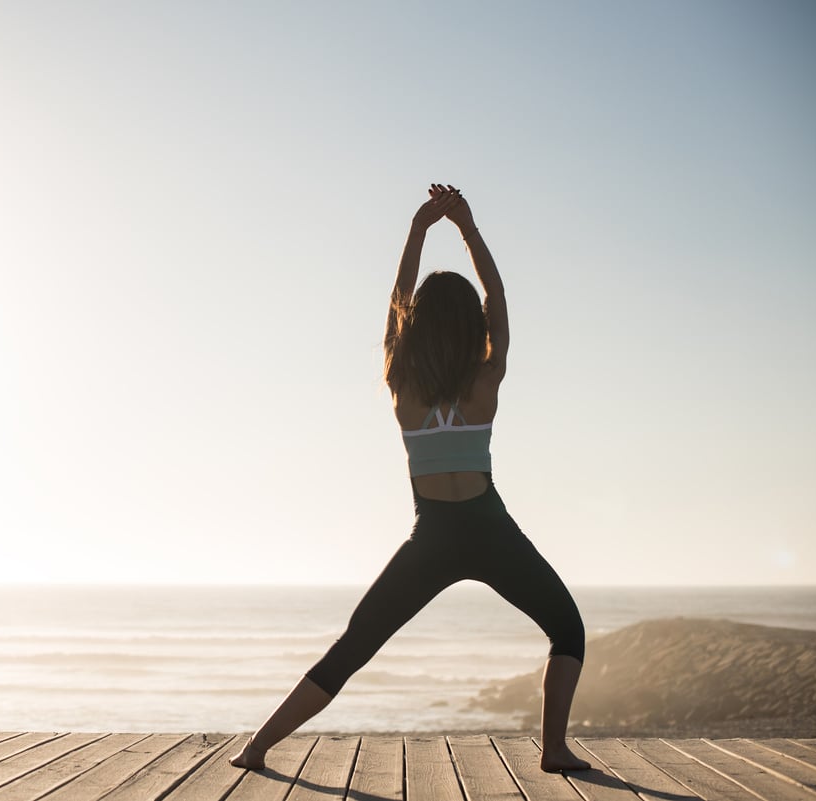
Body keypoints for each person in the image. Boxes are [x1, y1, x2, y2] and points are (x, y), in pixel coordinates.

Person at [229, 184, 591, 774]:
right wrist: (468, 228)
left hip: (434, 537)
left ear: (416, 324)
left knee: (354, 646)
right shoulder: (487, 377)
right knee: (566, 629)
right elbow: (496, 294)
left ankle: (257, 747)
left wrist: (419, 230)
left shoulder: (401, 380)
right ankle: (553, 752)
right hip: (489, 527)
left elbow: (399, 302)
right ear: (472, 325)